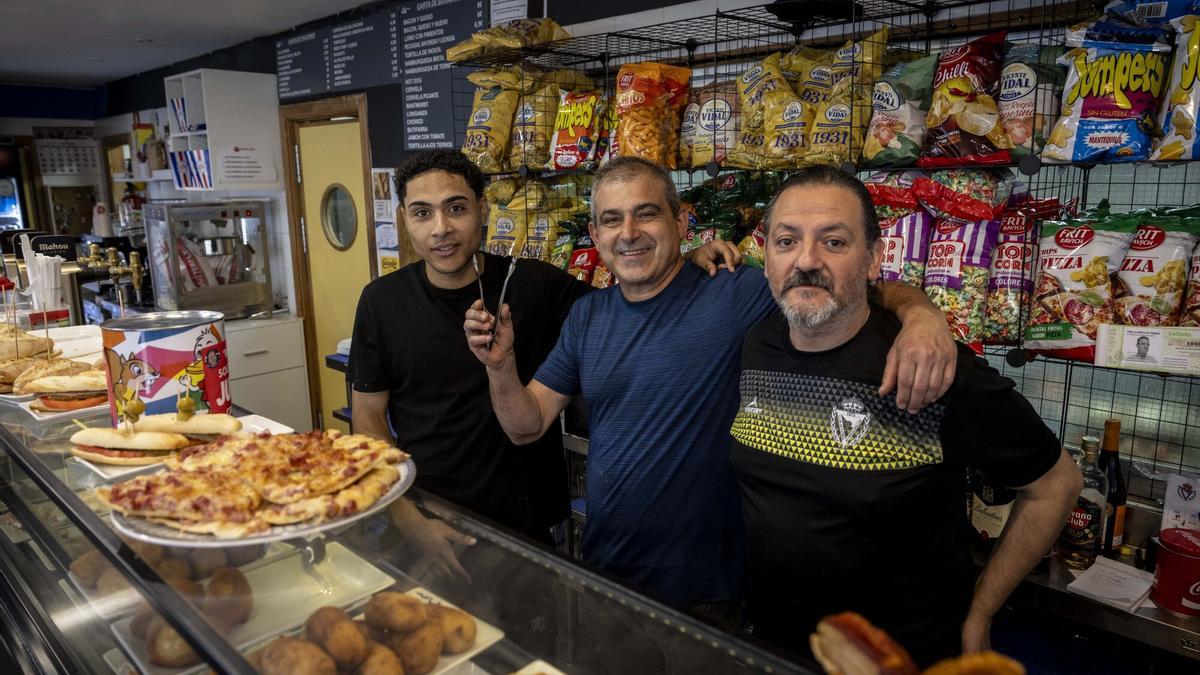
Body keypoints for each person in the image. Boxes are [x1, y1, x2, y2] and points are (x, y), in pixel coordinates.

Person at [464, 156, 958, 617]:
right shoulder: (587, 316)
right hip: (607, 572)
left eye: (647, 215)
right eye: (612, 220)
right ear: (595, 233)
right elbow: (526, 427)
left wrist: (921, 314)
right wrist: (501, 366)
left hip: (707, 590)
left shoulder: (735, 291)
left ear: (680, 224)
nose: (629, 234)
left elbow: (838, 284)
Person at [728, 166, 1082, 666]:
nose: (806, 260)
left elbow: (1056, 485)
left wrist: (981, 611)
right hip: (770, 646)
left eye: (833, 242)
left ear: (874, 258)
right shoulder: (756, 345)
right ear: (766, 258)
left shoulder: (929, 367)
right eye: (787, 241)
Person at [350, 149, 738, 569]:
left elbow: (631, 299)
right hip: (429, 517)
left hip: (528, 528)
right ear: (404, 217)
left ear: (482, 209)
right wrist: (407, 517)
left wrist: (688, 262)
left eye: (456, 208)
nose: (440, 229)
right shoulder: (381, 302)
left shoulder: (534, 283)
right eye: (422, 213)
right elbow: (368, 419)